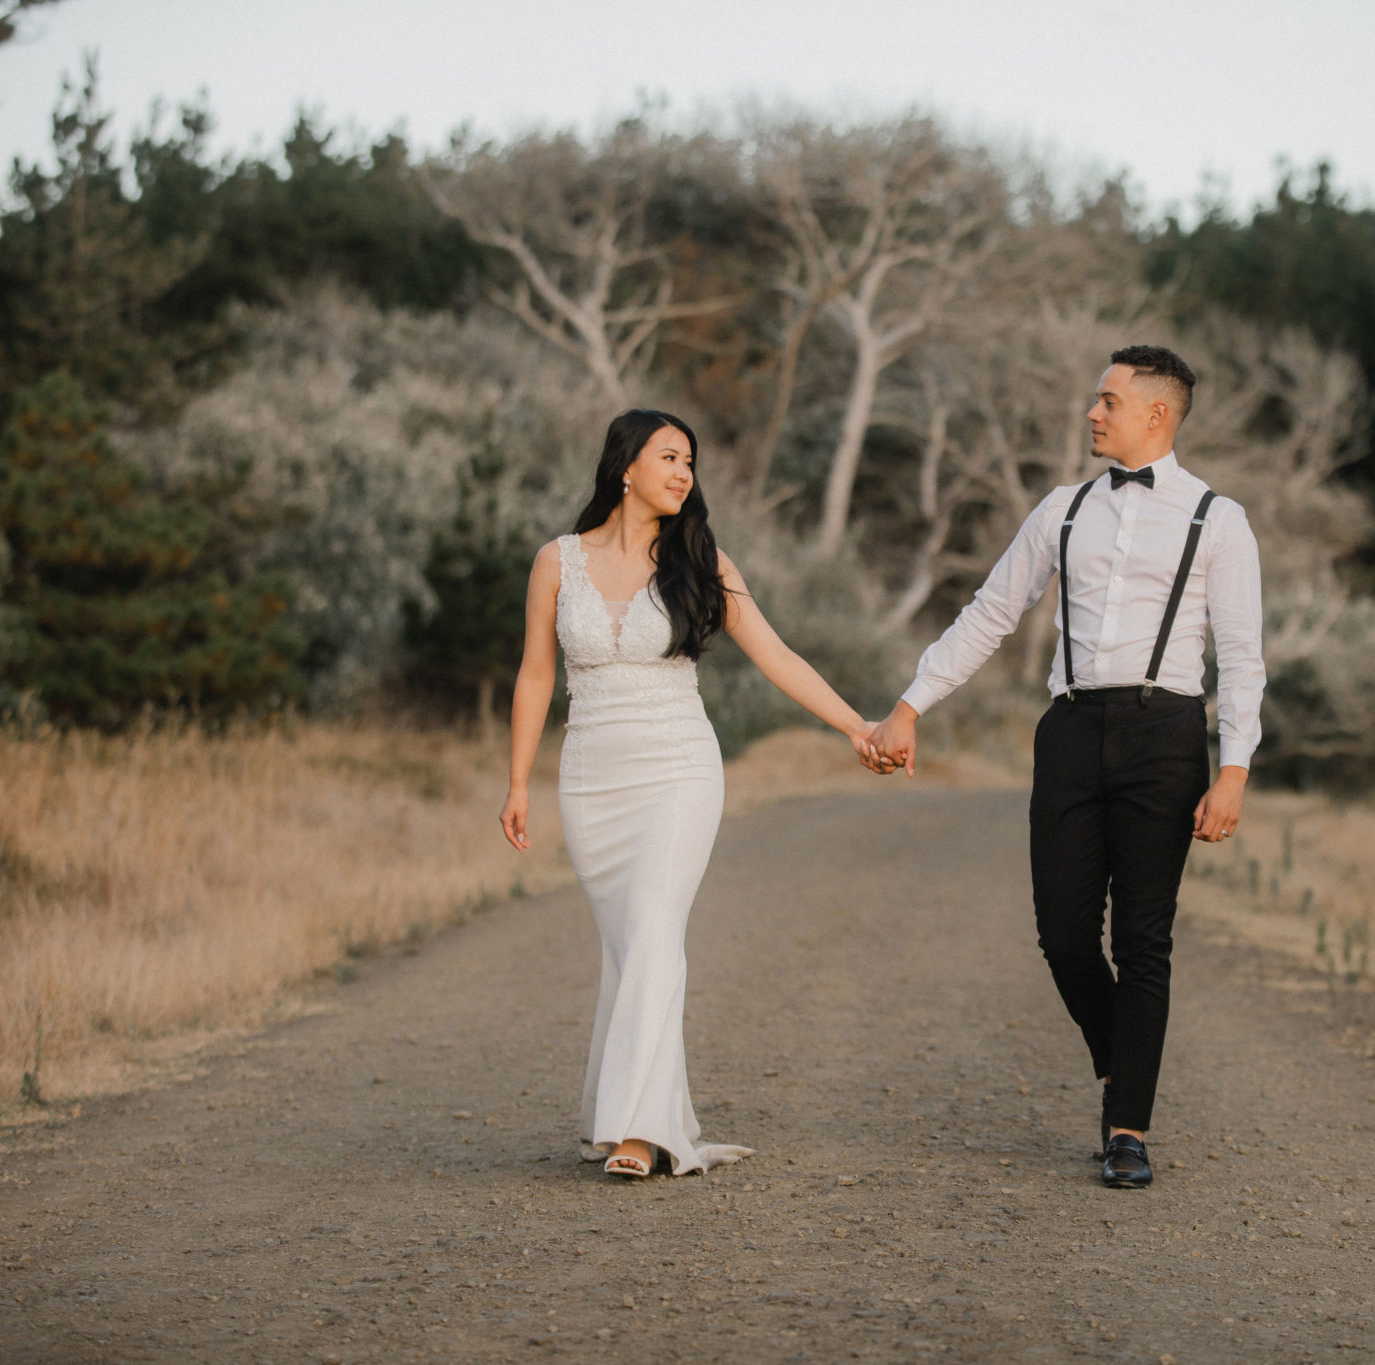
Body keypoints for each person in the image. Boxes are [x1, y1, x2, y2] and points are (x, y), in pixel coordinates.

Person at [868, 345, 1266, 1189]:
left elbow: (1242, 654)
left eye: (1109, 400)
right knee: (1062, 935)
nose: (1093, 411)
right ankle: (1127, 1060)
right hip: (1073, 731)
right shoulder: (1062, 510)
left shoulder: (1217, 519)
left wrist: (1233, 768)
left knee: (1145, 937)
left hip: (1166, 735)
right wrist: (910, 705)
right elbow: (990, 614)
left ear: (1156, 414)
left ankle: (1129, 1127)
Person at [500, 409, 884, 1178]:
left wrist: (854, 724)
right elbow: (537, 673)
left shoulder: (701, 558)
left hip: (678, 766)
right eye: (669, 456)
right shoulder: (557, 561)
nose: (684, 472)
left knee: (650, 928)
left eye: (690, 461)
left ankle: (639, 1132)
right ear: (625, 467)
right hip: (590, 776)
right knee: (630, 944)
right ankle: (634, 1116)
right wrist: (517, 782)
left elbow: (775, 654)